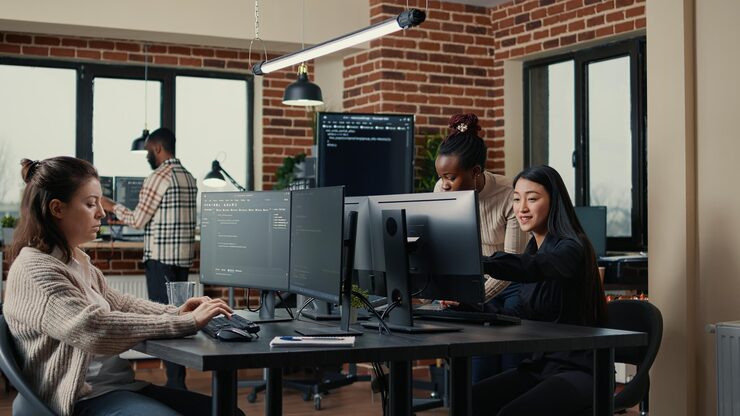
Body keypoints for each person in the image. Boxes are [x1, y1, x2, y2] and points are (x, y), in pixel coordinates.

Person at [3, 156, 240, 416]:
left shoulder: (75, 260)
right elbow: (94, 328)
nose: (102, 212)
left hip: (118, 388)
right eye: (90, 203)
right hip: (79, 398)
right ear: (57, 209)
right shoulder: (34, 270)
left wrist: (178, 312)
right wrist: (186, 323)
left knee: (228, 411)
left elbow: (121, 303)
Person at [472, 165, 608, 416]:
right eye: (516, 199)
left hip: (579, 369)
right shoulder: (534, 249)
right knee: (471, 400)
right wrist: (470, 308)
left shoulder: (572, 248)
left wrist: (478, 261)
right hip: (541, 365)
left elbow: (534, 268)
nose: (521, 208)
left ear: (554, 202)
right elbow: (518, 312)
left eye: (532, 199)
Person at [434, 113, 529, 381]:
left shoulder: (509, 194)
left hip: (511, 284)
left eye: (450, 177)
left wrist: (470, 295)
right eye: (441, 177)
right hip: (472, 285)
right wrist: (450, 288)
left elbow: (511, 264)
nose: (444, 185)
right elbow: (443, 247)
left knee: (510, 365)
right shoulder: (442, 192)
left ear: (475, 171)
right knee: (477, 366)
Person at [101, 127, 197, 390]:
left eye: (147, 150)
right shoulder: (188, 176)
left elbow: (138, 220)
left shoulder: (158, 176)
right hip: (182, 258)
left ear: (157, 148)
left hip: (160, 259)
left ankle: (175, 386)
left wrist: (110, 205)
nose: (146, 155)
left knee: (166, 322)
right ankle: (178, 382)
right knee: (179, 317)